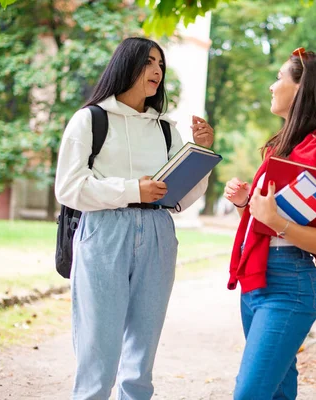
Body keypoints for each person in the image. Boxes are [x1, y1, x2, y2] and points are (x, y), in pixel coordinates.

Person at [55, 37, 214, 400]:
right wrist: (131, 190)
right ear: (126, 66)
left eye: (161, 64)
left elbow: (182, 197)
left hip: (159, 233)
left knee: (141, 358)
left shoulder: (164, 129)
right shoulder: (90, 120)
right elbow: (68, 188)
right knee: (99, 350)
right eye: (149, 62)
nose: (157, 70)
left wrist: (201, 154)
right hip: (104, 232)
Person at [223, 48, 316, 399]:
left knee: (250, 393)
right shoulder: (282, 148)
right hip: (255, 281)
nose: (272, 86)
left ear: (302, 89)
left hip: (290, 286)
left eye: (279, 78)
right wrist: (246, 203)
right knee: (277, 393)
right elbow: (263, 225)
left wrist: (276, 220)